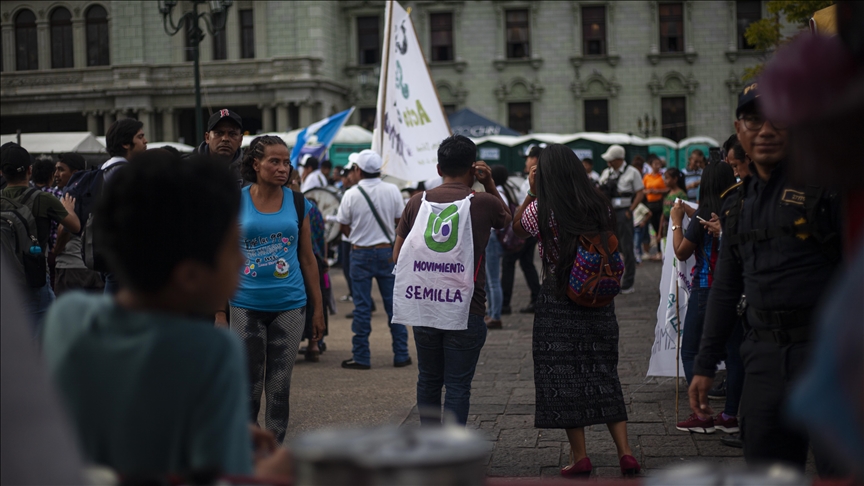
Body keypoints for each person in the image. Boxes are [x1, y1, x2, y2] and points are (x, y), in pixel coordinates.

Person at [41, 151, 292, 480]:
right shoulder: (212, 350)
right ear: (190, 276)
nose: (242, 257)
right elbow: (222, 473)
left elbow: (117, 419)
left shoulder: (68, 318)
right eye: (234, 247)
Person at [688, 82, 846, 476]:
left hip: (825, 357)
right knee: (766, 472)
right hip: (763, 360)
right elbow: (725, 288)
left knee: (838, 470)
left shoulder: (830, 190)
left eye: (779, 119)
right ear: (739, 128)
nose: (766, 130)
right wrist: (705, 365)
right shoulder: (736, 203)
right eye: (754, 119)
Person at [512, 144, 639, 478]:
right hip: (598, 295)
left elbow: (516, 227)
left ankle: (580, 456)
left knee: (566, 374)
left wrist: (531, 191)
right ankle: (625, 453)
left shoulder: (542, 209)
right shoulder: (597, 203)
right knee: (604, 371)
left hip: (559, 296)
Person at [392, 135, 510, 425]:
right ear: (474, 169)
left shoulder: (416, 202)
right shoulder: (483, 202)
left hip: (426, 308)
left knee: (429, 380)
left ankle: (430, 451)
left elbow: (397, 256)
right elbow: (507, 219)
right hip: (466, 309)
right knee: (458, 386)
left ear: (437, 168)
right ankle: (453, 452)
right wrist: (489, 182)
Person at [229, 135, 325, 444]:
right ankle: (247, 456)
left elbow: (308, 259)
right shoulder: (235, 201)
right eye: (274, 161)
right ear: (255, 165)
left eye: (286, 162)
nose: (283, 168)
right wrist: (219, 310)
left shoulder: (299, 203)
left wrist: (318, 309)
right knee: (249, 389)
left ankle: (273, 453)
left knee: (279, 387)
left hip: (290, 305)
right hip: (245, 304)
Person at [670, 161, 738, 433]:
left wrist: (676, 223)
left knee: (690, 351)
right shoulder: (734, 212)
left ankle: (701, 413)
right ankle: (730, 415)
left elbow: (681, 252)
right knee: (735, 355)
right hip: (735, 290)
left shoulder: (702, 220)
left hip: (706, 289)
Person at [335, 150, 408, 369]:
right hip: (387, 253)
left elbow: (343, 226)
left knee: (362, 307)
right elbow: (400, 221)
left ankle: (361, 356)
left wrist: (359, 236)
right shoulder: (393, 190)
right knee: (393, 306)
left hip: (360, 253)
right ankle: (401, 354)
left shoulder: (351, 194)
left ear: (358, 170)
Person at [1, 142, 80, 334]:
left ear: (2, 172)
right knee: (44, 337)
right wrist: (69, 209)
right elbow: (75, 226)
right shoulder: (42, 198)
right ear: (30, 170)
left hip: (6, 279)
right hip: (34, 277)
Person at [101, 118, 148, 295]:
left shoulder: (105, 168)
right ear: (125, 144)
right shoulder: (123, 172)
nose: (145, 141)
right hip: (123, 253)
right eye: (140, 137)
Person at [53, 153, 104, 296]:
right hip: (95, 266)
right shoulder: (95, 192)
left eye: (61, 170)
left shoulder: (69, 196)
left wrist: (56, 249)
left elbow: (65, 229)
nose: (56, 174)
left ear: (74, 173)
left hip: (71, 267)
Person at [598, 144, 645, 294]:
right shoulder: (606, 173)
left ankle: (628, 283)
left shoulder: (632, 172)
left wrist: (631, 210)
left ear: (619, 159)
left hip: (624, 211)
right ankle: (612, 280)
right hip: (608, 213)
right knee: (609, 247)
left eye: (611, 160)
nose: (609, 163)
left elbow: (640, 192)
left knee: (626, 247)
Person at [501, 145, 542, 314]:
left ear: (535, 159)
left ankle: (504, 303)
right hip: (529, 224)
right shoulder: (529, 178)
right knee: (526, 263)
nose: (526, 162)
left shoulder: (537, 177)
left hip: (528, 225)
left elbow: (531, 202)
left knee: (509, 262)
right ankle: (536, 298)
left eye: (528, 158)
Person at [484, 165, 515, 330]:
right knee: (490, 280)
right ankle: (491, 312)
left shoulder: (498, 192)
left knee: (493, 280)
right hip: (496, 238)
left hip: (493, 237)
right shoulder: (506, 190)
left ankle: (495, 316)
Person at [31, 157, 62, 287]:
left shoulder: (27, 192)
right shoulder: (56, 194)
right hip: (51, 250)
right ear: (51, 175)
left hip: (29, 250)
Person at [192, 108, 245, 186]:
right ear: (207, 137)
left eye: (232, 134)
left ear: (240, 140)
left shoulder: (250, 171)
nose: (225, 139)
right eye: (219, 133)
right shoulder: (188, 167)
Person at [337, 157, 358, 306]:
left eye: (348, 175)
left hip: (350, 239)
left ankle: (361, 299)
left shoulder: (351, 193)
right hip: (351, 239)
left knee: (351, 271)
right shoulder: (348, 192)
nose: (346, 178)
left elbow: (342, 221)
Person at [642, 155, 668, 260]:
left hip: (659, 204)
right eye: (655, 164)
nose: (657, 166)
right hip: (649, 204)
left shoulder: (662, 176)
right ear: (651, 165)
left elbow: (667, 189)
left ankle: (660, 251)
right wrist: (648, 192)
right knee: (651, 228)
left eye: (659, 164)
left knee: (659, 228)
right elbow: (642, 190)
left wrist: (658, 191)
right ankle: (650, 250)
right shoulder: (647, 177)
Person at [661, 168, 688, 238]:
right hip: (666, 226)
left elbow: (685, 211)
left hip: (676, 225)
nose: (665, 181)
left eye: (667, 178)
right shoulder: (667, 194)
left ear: (675, 179)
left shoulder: (681, 195)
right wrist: (659, 232)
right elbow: (663, 214)